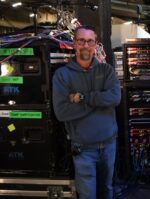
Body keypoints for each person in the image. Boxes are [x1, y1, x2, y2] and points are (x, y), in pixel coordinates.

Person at [52, 25, 121, 199]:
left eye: (90, 41)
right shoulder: (62, 75)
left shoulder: (107, 71)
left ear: (95, 45)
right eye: (81, 40)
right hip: (83, 149)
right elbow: (62, 112)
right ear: (74, 43)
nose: (85, 45)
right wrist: (99, 100)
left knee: (107, 190)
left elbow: (114, 98)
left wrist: (82, 97)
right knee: (87, 194)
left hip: (108, 145)